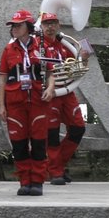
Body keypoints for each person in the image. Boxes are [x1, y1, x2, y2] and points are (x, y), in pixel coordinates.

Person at [0, 10, 50, 196]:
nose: (14, 29)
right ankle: (24, 181)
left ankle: (37, 181)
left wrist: (51, 89)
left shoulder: (42, 46)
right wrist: (1, 106)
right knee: (18, 143)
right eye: (13, 26)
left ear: (29, 27)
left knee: (38, 143)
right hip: (15, 102)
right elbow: (2, 79)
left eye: (18, 25)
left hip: (37, 100)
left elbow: (51, 73)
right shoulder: (8, 49)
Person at [38, 12, 89, 184]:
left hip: (67, 92)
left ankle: (57, 165)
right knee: (51, 133)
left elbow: (75, 69)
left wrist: (84, 60)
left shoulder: (64, 45)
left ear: (58, 25)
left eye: (53, 23)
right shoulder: (37, 46)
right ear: (41, 26)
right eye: (46, 23)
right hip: (49, 94)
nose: (50, 27)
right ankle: (56, 171)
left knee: (78, 128)